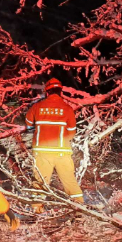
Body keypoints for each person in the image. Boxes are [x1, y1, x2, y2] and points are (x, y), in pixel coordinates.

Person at [25, 78, 83, 212]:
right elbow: (71, 133)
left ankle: (37, 212)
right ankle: (80, 210)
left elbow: (28, 125)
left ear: (47, 92)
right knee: (70, 183)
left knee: (40, 183)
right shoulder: (67, 109)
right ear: (60, 92)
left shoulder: (37, 107)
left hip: (42, 153)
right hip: (62, 153)